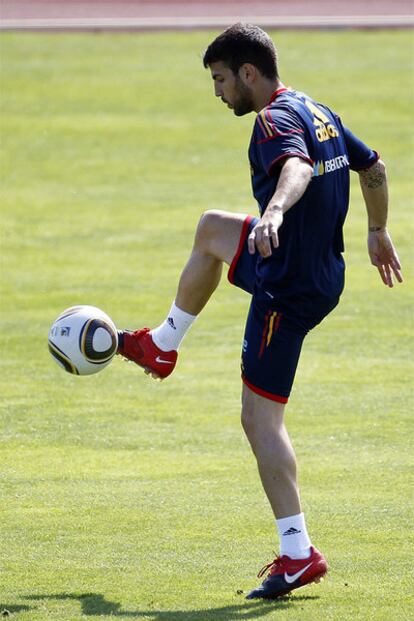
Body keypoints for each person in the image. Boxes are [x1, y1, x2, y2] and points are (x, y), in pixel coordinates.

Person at [117, 23, 403, 599]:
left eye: (221, 80)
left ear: (249, 73)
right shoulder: (316, 109)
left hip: (288, 288)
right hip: (319, 270)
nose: (218, 92)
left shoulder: (275, 120)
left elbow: (295, 169)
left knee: (259, 420)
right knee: (212, 231)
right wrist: (377, 229)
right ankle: (164, 345)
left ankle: (297, 553)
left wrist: (273, 213)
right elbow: (374, 168)